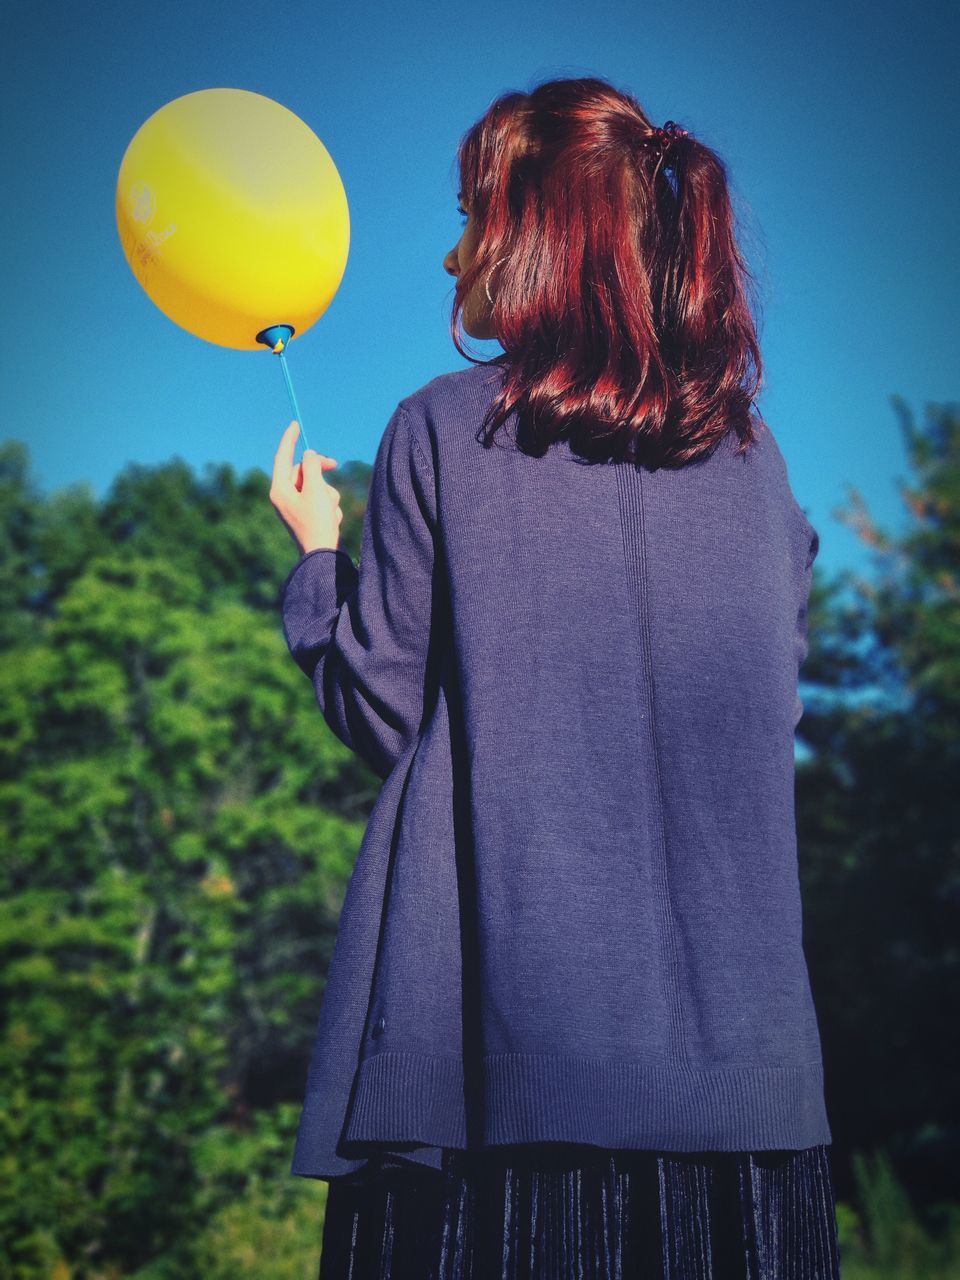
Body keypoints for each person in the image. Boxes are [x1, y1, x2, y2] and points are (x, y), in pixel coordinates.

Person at [270, 74, 842, 1279]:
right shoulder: (758, 458)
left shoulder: (440, 429)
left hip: (498, 1099)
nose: (450, 253)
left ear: (539, 228)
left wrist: (318, 558)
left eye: (472, 210)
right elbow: (768, 711)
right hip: (749, 1117)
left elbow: (379, 706)